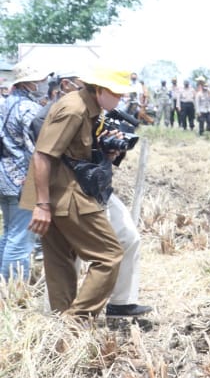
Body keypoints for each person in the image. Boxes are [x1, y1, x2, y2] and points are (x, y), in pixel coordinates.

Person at [21, 65, 131, 319]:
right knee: (109, 256)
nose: (121, 99)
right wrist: (42, 205)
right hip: (63, 195)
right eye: (118, 93)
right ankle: (76, 321)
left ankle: (64, 331)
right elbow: (42, 155)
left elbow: (74, 154)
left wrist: (106, 151)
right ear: (101, 89)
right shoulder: (74, 109)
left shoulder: (88, 108)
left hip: (61, 192)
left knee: (60, 261)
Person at [1, 63, 49, 281]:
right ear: (30, 83)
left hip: (5, 174)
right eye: (41, 80)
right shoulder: (29, 108)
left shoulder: (7, 101)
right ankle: (13, 290)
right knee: (21, 238)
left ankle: (4, 284)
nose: (44, 84)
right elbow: (39, 145)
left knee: (11, 232)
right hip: (22, 177)